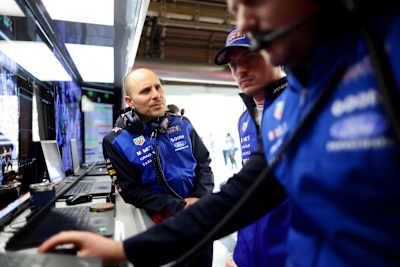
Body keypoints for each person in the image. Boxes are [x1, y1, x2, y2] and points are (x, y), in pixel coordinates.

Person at [39, 1, 400, 267]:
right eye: (234, 7)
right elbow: (238, 200)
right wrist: (125, 250)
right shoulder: (284, 115)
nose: (245, 19)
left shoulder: (387, 58)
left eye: (253, 2)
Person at [102, 68, 214, 266]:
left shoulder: (182, 124)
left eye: (158, 87)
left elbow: (204, 163)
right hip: (160, 226)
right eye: (145, 91)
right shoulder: (116, 141)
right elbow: (130, 191)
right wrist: (178, 207)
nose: (156, 95)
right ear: (130, 101)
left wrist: (199, 199)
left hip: (199, 218)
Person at [215, 27, 288, 267]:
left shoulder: (303, 106)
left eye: (250, 57)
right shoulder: (244, 121)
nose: (240, 70)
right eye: (233, 64)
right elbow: (251, 193)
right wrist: (241, 252)